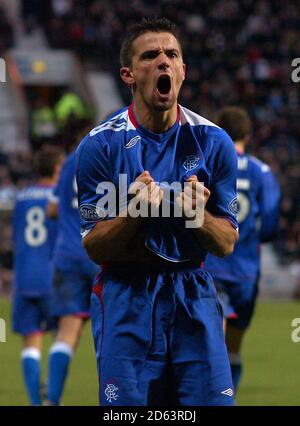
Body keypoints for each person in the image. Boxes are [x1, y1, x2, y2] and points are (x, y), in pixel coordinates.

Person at [76, 17, 239, 406]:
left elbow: (227, 242)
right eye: (151, 56)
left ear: (183, 71)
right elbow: (94, 246)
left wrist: (197, 216)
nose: (163, 61)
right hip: (125, 294)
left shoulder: (213, 142)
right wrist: (133, 212)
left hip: (192, 293)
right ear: (129, 75)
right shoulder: (100, 146)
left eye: (172, 55)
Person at [205, 106, 280, 394]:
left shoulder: (207, 166)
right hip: (246, 270)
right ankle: (226, 397)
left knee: (212, 341)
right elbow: (271, 224)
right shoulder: (262, 172)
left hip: (212, 264)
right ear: (247, 135)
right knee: (233, 348)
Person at [45, 132, 99, 406]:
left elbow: (52, 209)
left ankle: (51, 399)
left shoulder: (67, 163)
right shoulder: (109, 154)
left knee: (67, 333)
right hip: (100, 253)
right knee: (114, 332)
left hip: (67, 254)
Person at [12, 145, 64, 406]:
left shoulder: (21, 197)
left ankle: (36, 402)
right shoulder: (58, 196)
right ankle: (52, 399)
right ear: (57, 169)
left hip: (23, 280)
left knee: (30, 344)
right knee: (61, 338)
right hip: (51, 277)